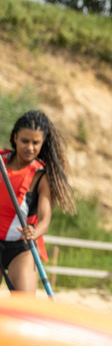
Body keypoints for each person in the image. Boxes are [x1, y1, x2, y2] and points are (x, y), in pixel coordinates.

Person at [0, 110, 74, 294]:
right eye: (25, 141)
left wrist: (34, 232)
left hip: (22, 247)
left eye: (36, 143)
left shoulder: (41, 176)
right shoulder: (0, 162)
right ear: (15, 138)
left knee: (24, 306)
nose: (30, 147)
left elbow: (45, 220)